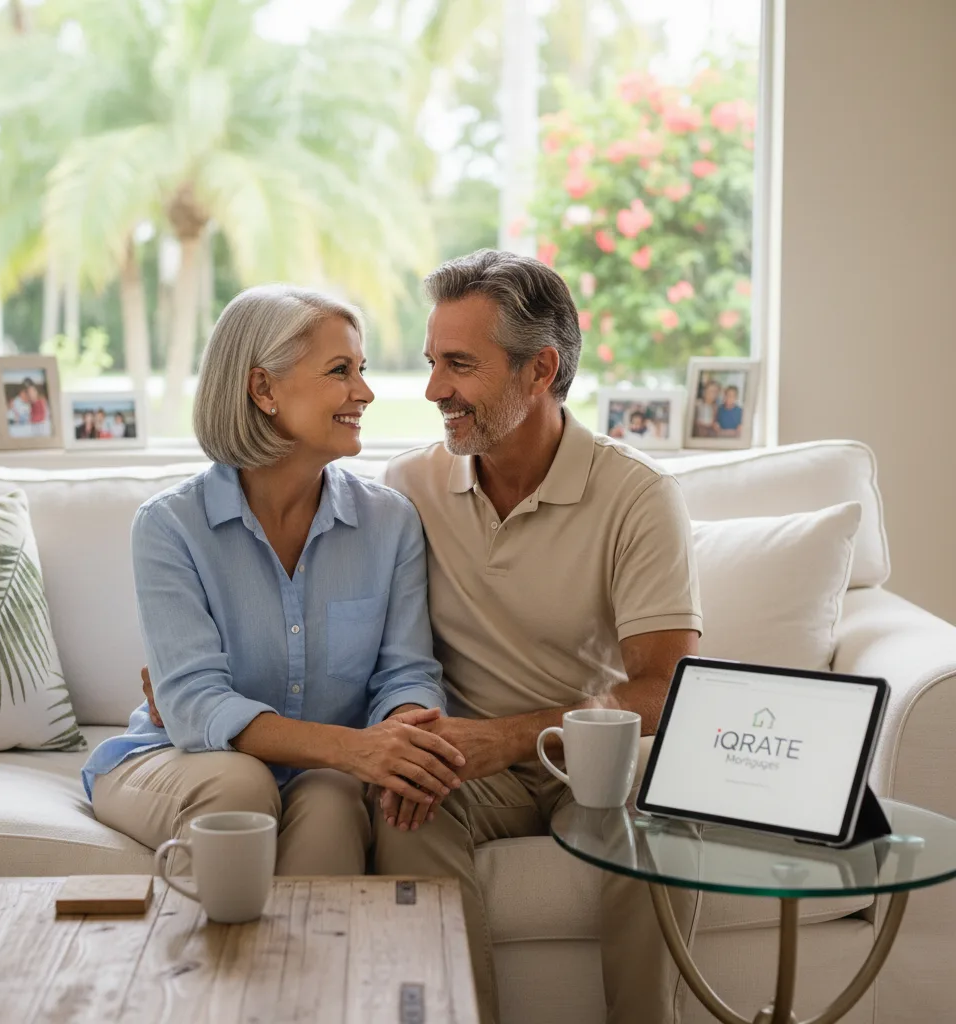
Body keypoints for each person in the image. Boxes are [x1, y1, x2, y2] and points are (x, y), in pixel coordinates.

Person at [374, 250, 703, 1024]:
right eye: (431, 363)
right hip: (469, 762)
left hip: (586, 753)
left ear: (539, 370)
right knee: (401, 803)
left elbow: (665, 689)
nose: (433, 391)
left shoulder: (637, 497)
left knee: (659, 813)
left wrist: (511, 737)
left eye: (460, 364)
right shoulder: (408, 488)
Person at [84, 285, 465, 879]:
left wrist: (401, 744)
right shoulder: (170, 527)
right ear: (262, 388)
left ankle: (301, 974)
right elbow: (192, 706)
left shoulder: (390, 522)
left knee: (337, 803)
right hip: (180, 760)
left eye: (361, 370)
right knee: (242, 786)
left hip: (325, 772)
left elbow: (406, 674)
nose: (363, 392)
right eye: (340, 371)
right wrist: (354, 749)